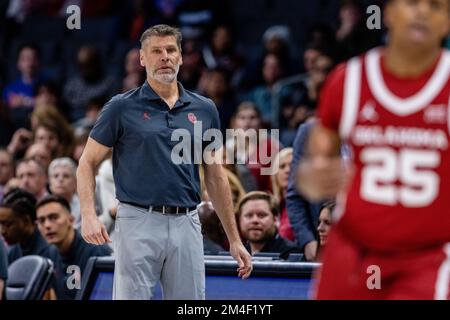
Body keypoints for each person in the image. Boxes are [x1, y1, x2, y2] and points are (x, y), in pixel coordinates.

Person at [77, 24, 252, 300]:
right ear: (142, 58)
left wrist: (234, 239)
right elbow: (86, 163)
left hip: (187, 221)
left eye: (171, 50)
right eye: (156, 51)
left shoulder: (205, 108)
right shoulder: (121, 107)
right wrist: (88, 215)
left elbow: (216, 177)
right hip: (137, 220)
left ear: (181, 57)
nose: (165, 57)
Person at [297, 0, 450, 299]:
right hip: (353, 253)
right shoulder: (348, 80)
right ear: (389, 13)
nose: (422, 12)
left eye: (435, 6)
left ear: (446, 22)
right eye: (412, 3)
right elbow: (310, 174)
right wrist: (313, 179)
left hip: (426, 259)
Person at [35, 195, 112, 299]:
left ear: (71, 220)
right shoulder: (49, 254)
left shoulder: (97, 251)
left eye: (53, 217)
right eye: (41, 221)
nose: (47, 225)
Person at [0, 189, 64, 299]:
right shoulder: (12, 251)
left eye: (7, 224)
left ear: (26, 221)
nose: (2, 230)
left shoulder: (51, 250)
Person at [237, 191, 301, 259]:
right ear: (240, 220)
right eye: (249, 215)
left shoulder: (291, 253)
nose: (255, 220)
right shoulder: (238, 253)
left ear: (275, 219)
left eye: (261, 215)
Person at [48, 158, 81, 229]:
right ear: (50, 182)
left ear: (75, 182)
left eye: (66, 176)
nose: (60, 179)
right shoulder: (43, 206)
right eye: (56, 176)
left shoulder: (85, 207)